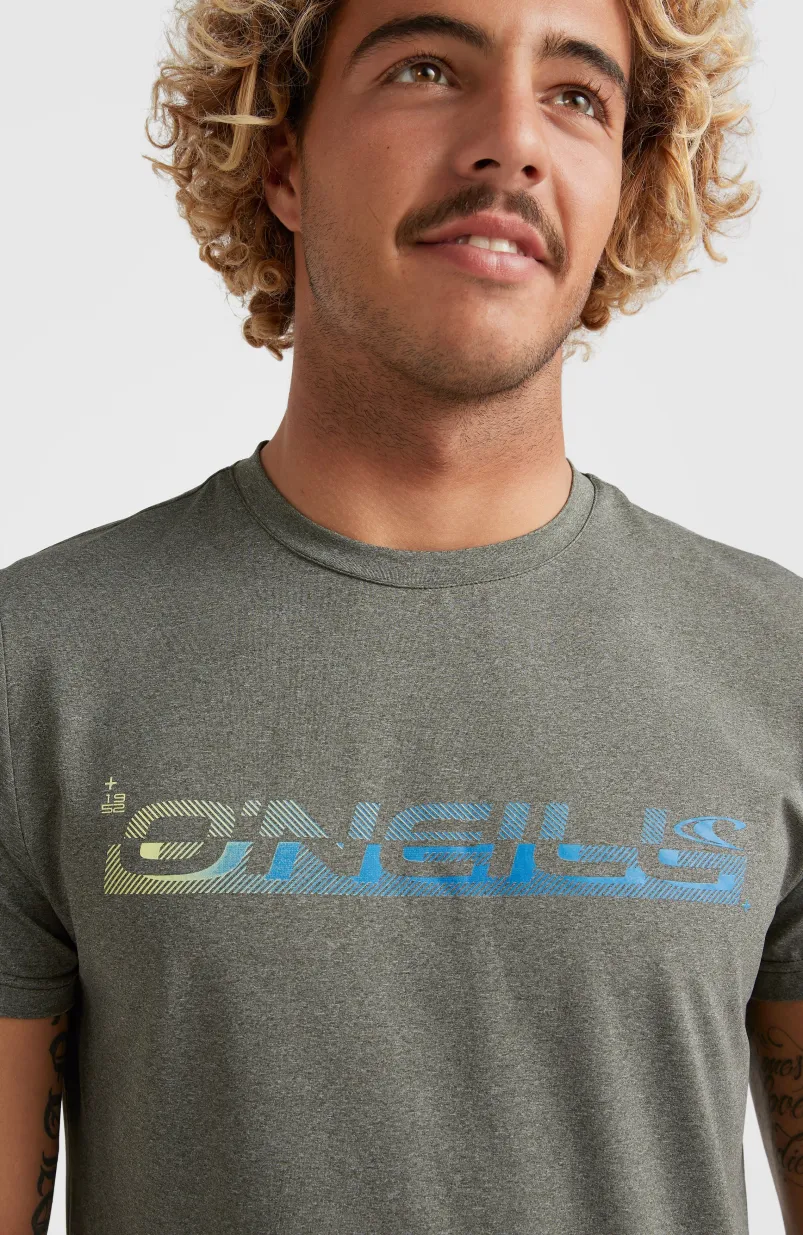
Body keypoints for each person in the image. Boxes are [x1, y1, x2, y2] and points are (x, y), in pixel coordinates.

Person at [0, 0, 799, 1232]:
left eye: (576, 97)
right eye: (426, 68)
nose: (511, 142)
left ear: (623, 194)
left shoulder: (776, 663)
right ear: (281, 159)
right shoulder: (37, 667)